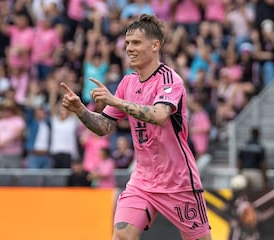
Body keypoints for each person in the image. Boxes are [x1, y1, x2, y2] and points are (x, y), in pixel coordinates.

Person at [60, 14, 211, 240]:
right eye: (127, 43)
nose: (129, 48)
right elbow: (104, 127)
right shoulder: (127, 82)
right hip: (142, 181)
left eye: (136, 43)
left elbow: (160, 115)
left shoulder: (170, 80)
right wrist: (80, 110)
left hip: (178, 181)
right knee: (121, 236)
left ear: (155, 45)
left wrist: (116, 101)